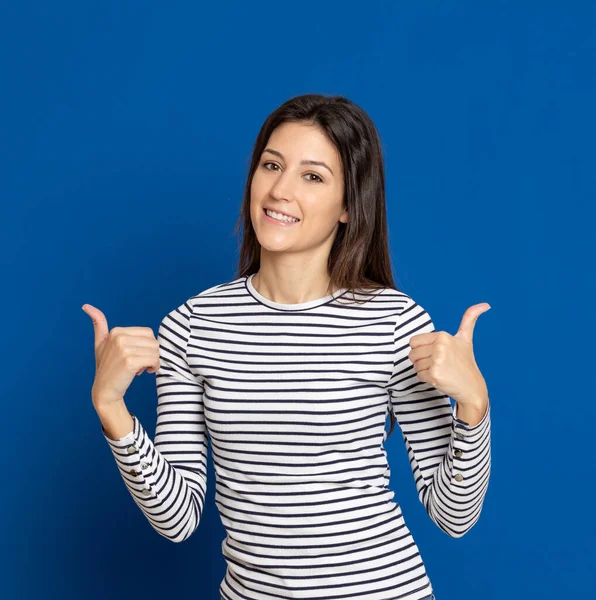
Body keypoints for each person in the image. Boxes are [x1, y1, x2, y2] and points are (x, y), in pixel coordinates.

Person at [83, 93, 491, 600]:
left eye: (312, 176)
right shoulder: (195, 325)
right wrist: (110, 409)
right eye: (271, 165)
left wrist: (474, 406)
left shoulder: (394, 323)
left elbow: (453, 515)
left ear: (348, 206)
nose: (279, 190)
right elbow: (179, 517)